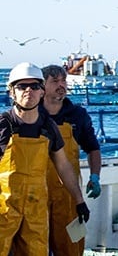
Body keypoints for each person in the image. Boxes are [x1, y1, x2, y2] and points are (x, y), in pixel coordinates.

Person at [0, 62, 89, 256]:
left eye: (34, 86)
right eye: (21, 86)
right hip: (4, 208)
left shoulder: (48, 127)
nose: (28, 91)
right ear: (12, 92)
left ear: (41, 92)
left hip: (36, 210)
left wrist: (79, 200)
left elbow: (63, 165)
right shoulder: (4, 125)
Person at [40, 64, 102, 256]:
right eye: (55, 81)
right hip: (36, 194)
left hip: (70, 197)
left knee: (73, 247)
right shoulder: (32, 115)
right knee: (32, 247)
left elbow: (93, 149)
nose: (61, 85)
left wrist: (95, 176)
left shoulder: (78, 115)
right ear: (42, 86)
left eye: (64, 81)